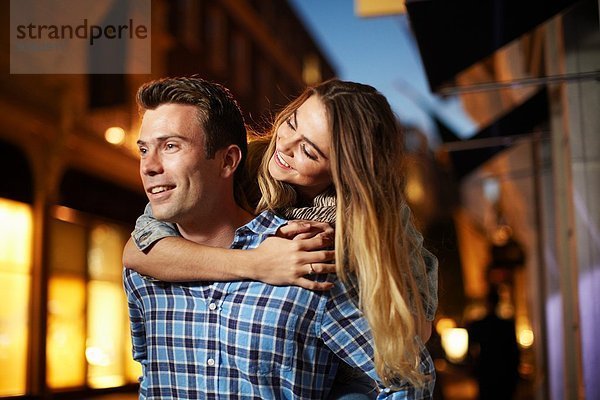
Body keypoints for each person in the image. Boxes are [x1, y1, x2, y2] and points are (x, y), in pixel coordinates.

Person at [124, 76, 437, 398]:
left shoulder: (361, 231)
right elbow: (140, 250)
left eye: (308, 151)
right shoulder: (248, 162)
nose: (284, 147)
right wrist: (256, 263)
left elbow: (412, 347)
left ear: (345, 172)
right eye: (290, 123)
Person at [467, 286, 520, 400]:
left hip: (487, 371)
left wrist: (473, 366)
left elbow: (471, 349)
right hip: (504, 372)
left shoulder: (479, 325)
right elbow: (514, 352)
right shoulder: (506, 325)